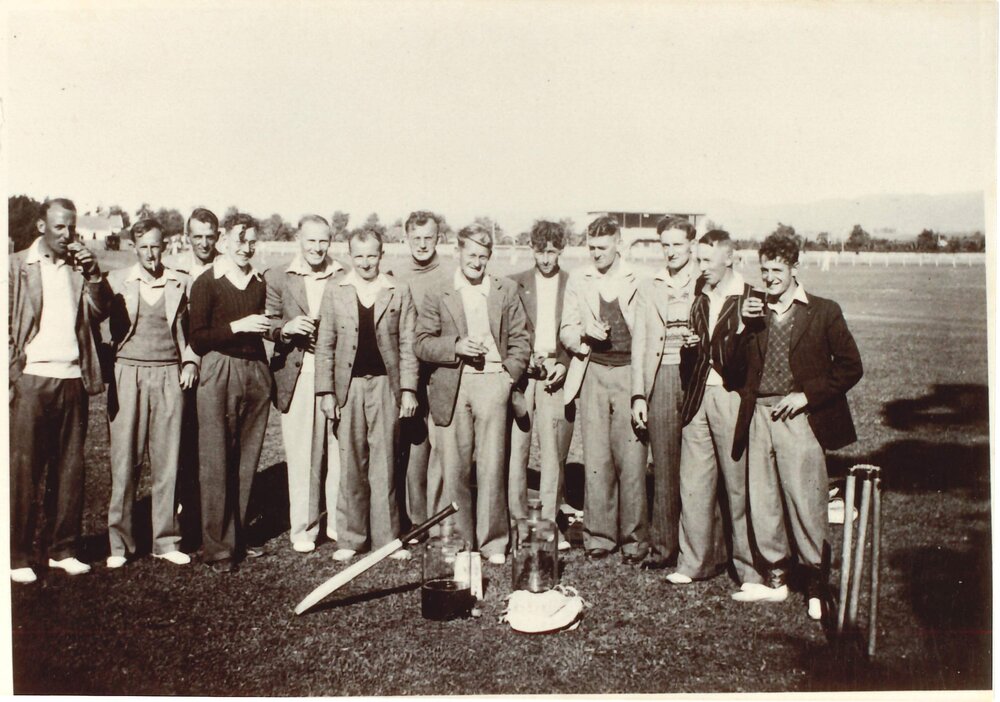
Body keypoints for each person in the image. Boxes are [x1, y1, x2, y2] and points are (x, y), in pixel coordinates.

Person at [731, 232, 862, 619]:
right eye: (765, 269)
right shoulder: (753, 310)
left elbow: (851, 366)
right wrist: (742, 328)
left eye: (778, 270)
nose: (770, 277)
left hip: (800, 417)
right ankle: (776, 579)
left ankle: (817, 583)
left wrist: (807, 395)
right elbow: (736, 370)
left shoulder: (823, 310)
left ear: (794, 268)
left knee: (806, 500)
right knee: (763, 499)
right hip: (758, 415)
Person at [415, 223, 530, 564]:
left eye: (483, 256)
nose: (477, 262)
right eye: (471, 254)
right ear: (458, 252)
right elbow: (421, 342)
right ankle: (459, 542)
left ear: (489, 257)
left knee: (493, 466)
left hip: (494, 382)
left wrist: (508, 377)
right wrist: (456, 346)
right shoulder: (439, 290)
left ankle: (494, 542)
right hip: (453, 383)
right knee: (455, 467)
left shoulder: (505, 289)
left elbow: (521, 340)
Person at [9, 198, 112, 583]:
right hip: (32, 379)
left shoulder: (78, 267)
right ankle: (17, 555)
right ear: (41, 227)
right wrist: (12, 376)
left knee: (69, 470)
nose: (68, 235)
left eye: (72, 228)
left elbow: (99, 313)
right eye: (60, 228)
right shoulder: (17, 265)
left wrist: (95, 274)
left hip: (73, 379)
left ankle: (62, 550)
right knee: (23, 470)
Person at [316, 227, 419, 562]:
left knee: (386, 462)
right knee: (350, 463)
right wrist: (326, 391)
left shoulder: (397, 290)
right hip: (349, 388)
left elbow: (407, 344)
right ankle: (351, 538)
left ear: (381, 254)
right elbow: (326, 346)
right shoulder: (336, 290)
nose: (365, 262)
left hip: (385, 386)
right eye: (358, 255)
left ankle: (387, 538)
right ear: (349, 255)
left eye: (371, 255)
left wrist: (408, 389)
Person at [668, 229, 763, 592]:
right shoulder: (700, 294)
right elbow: (697, 347)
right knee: (694, 484)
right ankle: (693, 562)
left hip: (732, 398)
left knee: (738, 486)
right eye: (699, 259)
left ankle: (750, 570)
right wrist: (692, 346)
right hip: (697, 399)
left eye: (708, 260)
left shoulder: (752, 298)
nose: (701, 266)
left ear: (729, 258)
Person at [104, 218, 198, 568]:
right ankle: (119, 544)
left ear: (165, 246)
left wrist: (189, 362)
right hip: (128, 373)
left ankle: (166, 540)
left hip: (168, 375)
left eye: (155, 246)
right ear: (134, 247)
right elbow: (103, 331)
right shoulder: (117, 281)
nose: (150, 253)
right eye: (143, 246)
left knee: (167, 460)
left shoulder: (179, 282)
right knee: (125, 460)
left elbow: (190, 333)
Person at [560, 215, 648, 564]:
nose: (596, 254)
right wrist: (583, 334)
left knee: (631, 458)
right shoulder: (579, 279)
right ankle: (598, 536)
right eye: (591, 247)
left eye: (602, 247)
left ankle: (634, 540)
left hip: (630, 373)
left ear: (618, 244)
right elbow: (566, 328)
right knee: (596, 457)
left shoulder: (639, 279)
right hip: (593, 370)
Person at [189, 212, 271, 573]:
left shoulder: (258, 282)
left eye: (252, 241)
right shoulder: (207, 282)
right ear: (224, 241)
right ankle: (218, 549)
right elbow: (199, 338)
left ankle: (237, 538)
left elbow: (263, 328)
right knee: (216, 460)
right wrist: (239, 326)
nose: (246, 248)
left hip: (255, 371)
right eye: (240, 240)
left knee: (247, 459)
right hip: (219, 369)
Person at [265, 215, 344, 553]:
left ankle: (339, 524)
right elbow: (267, 322)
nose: (316, 247)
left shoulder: (343, 275)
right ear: (298, 239)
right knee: (302, 455)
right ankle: (304, 529)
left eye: (323, 241)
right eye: (310, 240)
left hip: (337, 376)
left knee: (339, 453)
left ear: (330, 241)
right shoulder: (280, 276)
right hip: (297, 376)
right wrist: (287, 329)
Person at [630, 216, 699, 569]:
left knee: (702, 466)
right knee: (666, 466)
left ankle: (705, 548)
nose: (671, 252)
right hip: (662, 378)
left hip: (698, 380)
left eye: (678, 244)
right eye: (665, 245)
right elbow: (640, 343)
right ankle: (663, 548)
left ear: (692, 244)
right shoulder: (650, 285)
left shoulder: (704, 281)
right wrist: (639, 394)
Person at [507, 220, 573, 550]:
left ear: (561, 250)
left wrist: (562, 362)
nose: (546, 259)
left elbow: (577, 329)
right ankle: (519, 523)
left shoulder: (572, 284)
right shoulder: (514, 283)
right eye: (540, 251)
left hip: (555, 373)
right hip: (524, 372)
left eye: (552, 252)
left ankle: (548, 524)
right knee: (518, 450)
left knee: (552, 453)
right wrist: (525, 358)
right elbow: (508, 330)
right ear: (531, 249)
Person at [393, 211, 452, 532]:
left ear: (438, 239)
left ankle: (439, 519)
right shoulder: (395, 275)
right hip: (407, 373)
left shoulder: (450, 275)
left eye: (428, 238)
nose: (422, 244)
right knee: (413, 445)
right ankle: (415, 520)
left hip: (441, 371)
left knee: (442, 447)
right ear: (406, 239)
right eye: (416, 238)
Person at [170, 207, 221, 280]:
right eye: (198, 237)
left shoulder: (229, 266)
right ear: (188, 238)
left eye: (209, 237)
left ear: (217, 237)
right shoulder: (175, 266)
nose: (204, 244)